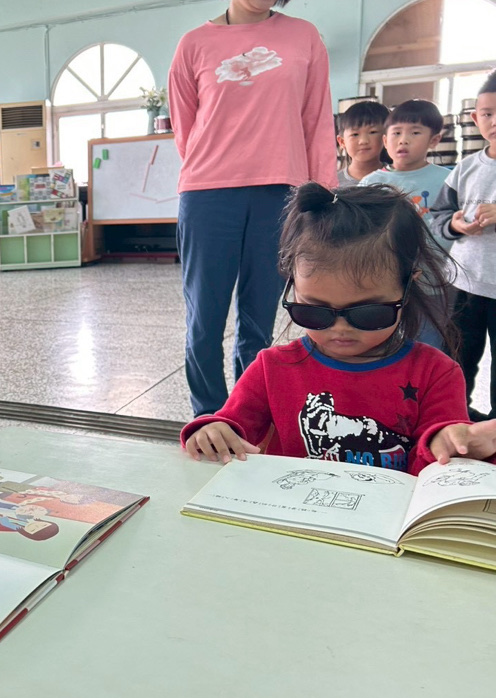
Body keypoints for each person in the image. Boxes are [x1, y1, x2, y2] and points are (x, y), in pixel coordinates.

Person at [181, 182, 496, 475]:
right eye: (314, 311)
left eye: (368, 313)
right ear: (292, 286)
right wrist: (211, 431)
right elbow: (230, 429)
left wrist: (454, 445)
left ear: (408, 287)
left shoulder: (436, 374)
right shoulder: (271, 368)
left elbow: (440, 469)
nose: (339, 328)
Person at [168, 0, 338, 418]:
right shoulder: (194, 44)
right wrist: (220, 163)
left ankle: (248, 412)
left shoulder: (303, 36)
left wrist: (323, 196)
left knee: (259, 321)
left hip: (281, 194)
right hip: (208, 194)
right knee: (204, 320)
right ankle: (208, 415)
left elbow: (316, 120)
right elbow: (186, 129)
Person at [360, 99, 453, 350]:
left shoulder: (448, 180)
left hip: (434, 281)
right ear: (385, 139)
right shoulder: (371, 183)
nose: (403, 140)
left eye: (415, 133)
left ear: (434, 140)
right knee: (382, 340)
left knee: (428, 343)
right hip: (385, 280)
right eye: (396, 133)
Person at [431, 70, 496, 421]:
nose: (494, 121)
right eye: (487, 113)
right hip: (464, 282)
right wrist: (454, 224)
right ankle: (453, 420)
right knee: (457, 358)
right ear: (474, 118)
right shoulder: (466, 168)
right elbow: (439, 215)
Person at [335, 100, 389, 185]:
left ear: (386, 137)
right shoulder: (333, 183)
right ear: (342, 142)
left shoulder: (397, 178)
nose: (363, 141)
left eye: (372, 132)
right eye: (355, 134)